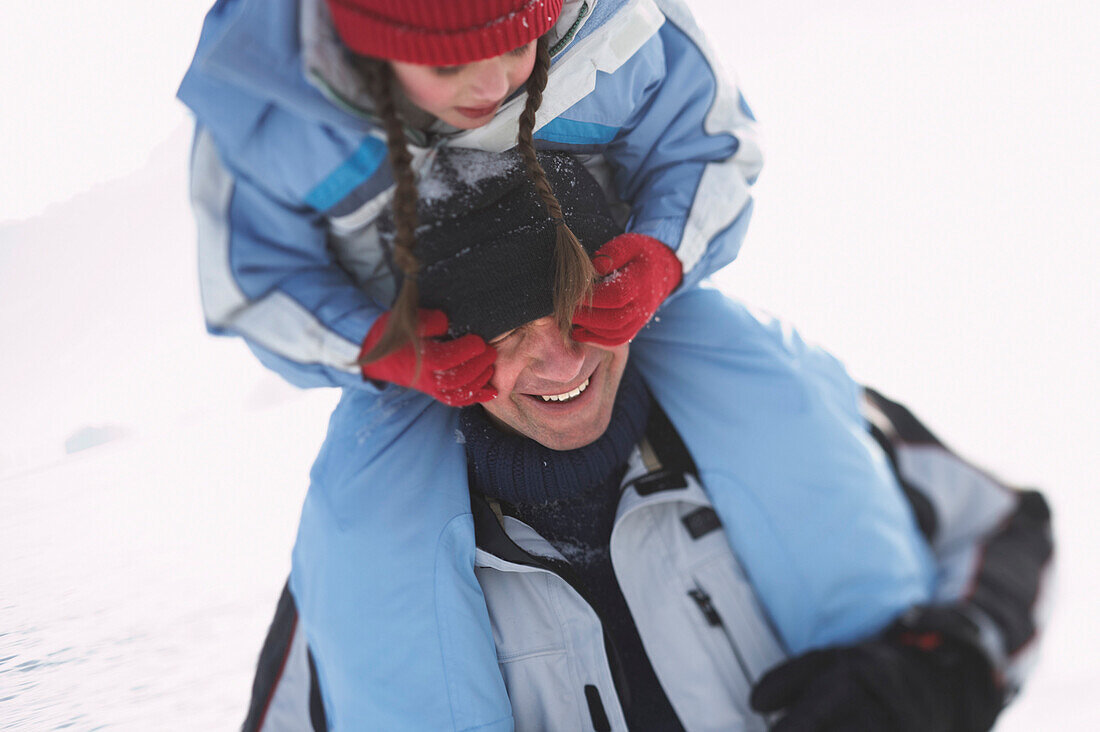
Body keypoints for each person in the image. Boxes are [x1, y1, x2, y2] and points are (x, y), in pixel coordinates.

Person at [242, 150, 1052, 731]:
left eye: (576, 304)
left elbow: (1006, 527)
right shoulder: (365, 561)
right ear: (444, 356)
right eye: (501, 330)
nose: (558, 358)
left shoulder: (787, 421)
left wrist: (934, 672)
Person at [177, 0, 760, 721]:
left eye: (521, 46)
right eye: (449, 64)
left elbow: (710, 143)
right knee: (369, 531)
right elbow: (255, 278)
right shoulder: (271, 112)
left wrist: (665, 255)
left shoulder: (624, 28)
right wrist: (377, 347)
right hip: (415, 350)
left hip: (618, 297)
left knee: (776, 389)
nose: (490, 84)